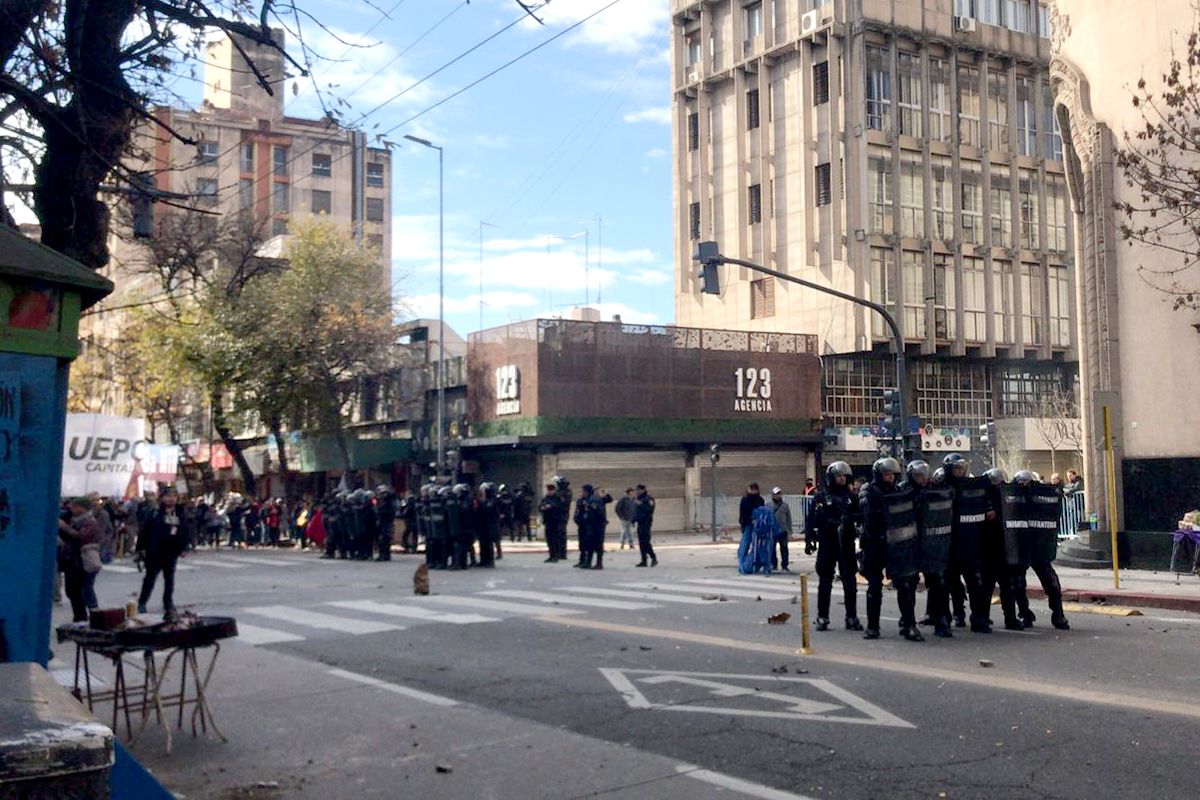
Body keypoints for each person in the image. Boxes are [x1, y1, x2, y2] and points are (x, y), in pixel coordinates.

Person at [1009, 471, 1071, 631]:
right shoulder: (1013, 498)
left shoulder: (1041, 498)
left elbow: (1054, 513)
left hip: (1038, 546)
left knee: (1051, 583)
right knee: (1018, 583)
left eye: (1027, 483)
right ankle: (1024, 613)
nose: (1025, 486)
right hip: (1021, 546)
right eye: (1021, 483)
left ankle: (1058, 614)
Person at [805, 462, 861, 632]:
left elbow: (861, 517)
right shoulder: (821, 497)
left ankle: (851, 617)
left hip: (846, 543)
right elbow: (812, 520)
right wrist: (810, 539)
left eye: (844, 476)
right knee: (825, 581)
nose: (842, 478)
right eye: (839, 476)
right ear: (831, 478)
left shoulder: (851, 497)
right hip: (827, 543)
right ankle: (823, 616)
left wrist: (849, 519)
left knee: (850, 582)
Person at [908, 461, 954, 638]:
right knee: (909, 584)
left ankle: (941, 619)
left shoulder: (934, 492)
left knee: (939, 581)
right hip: (911, 545)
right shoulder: (904, 491)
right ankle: (908, 622)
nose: (922, 479)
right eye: (918, 475)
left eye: (924, 475)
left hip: (932, 544)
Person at [859, 457, 903, 640]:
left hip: (894, 543)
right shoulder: (870, 492)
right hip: (874, 544)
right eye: (886, 474)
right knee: (875, 586)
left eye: (892, 474)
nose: (890, 477)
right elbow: (869, 519)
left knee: (904, 583)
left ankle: (907, 623)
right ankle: (873, 626)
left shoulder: (898, 491)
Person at [136, 487, 190, 614]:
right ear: (162, 498)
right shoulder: (154, 512)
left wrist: (184, 547)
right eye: (168, 496)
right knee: (150, 578)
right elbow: (144, 531)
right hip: (154, 550)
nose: (171, 499)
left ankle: (168, 603)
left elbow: (185, 531)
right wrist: (141, 548)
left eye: (173, 496)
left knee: (169, 579)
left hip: (171, 551)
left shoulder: (180, 513)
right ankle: (142, 602)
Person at [58, 497, 103, 621]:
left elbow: (81, 537)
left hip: (84, 560)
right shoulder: (73, 519)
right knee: (72, 591)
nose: (71, 509)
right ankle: (79, 616)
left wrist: (65, 527)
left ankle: (95, 616)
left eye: (75, 506)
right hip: (71, 560)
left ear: (82, 508)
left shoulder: (90, 522)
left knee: (85, 590)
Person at [632, 484, 657, 567]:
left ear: (642, 490)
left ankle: (653, 558)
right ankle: (644, 560)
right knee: (641, 542)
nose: (636, 492)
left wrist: (640, 504)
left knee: (646, 542)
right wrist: (633, 519)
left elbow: (650, 509)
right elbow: (637, 511)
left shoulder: (648, 498)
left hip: (646, 522)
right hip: (640, 522)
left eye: (638, 490)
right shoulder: (638, 499)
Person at [770, 488, 792, 572]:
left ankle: (785, 565)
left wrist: (790, 531)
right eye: (776, 494)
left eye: (779, 494)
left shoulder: (785, 505)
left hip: (783, 530)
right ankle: (774, 564)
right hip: (773, 530)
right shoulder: (769, 505)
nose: (778, 496)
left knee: (784, 548)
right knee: (772, 548)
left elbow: (789, 518)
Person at [539, 483, 563, 563]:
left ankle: (555, 556)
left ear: (554, 490)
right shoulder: (546, 497)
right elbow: (540, 506)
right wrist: (542, 507)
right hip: (548, 521)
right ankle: (551, 555)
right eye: (548, 490)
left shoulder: (558, 497)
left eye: (551, 490)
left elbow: (561, 507)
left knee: (555, 539)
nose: (549, 492)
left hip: (555, 521)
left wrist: (551, 506)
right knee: (549, 539)